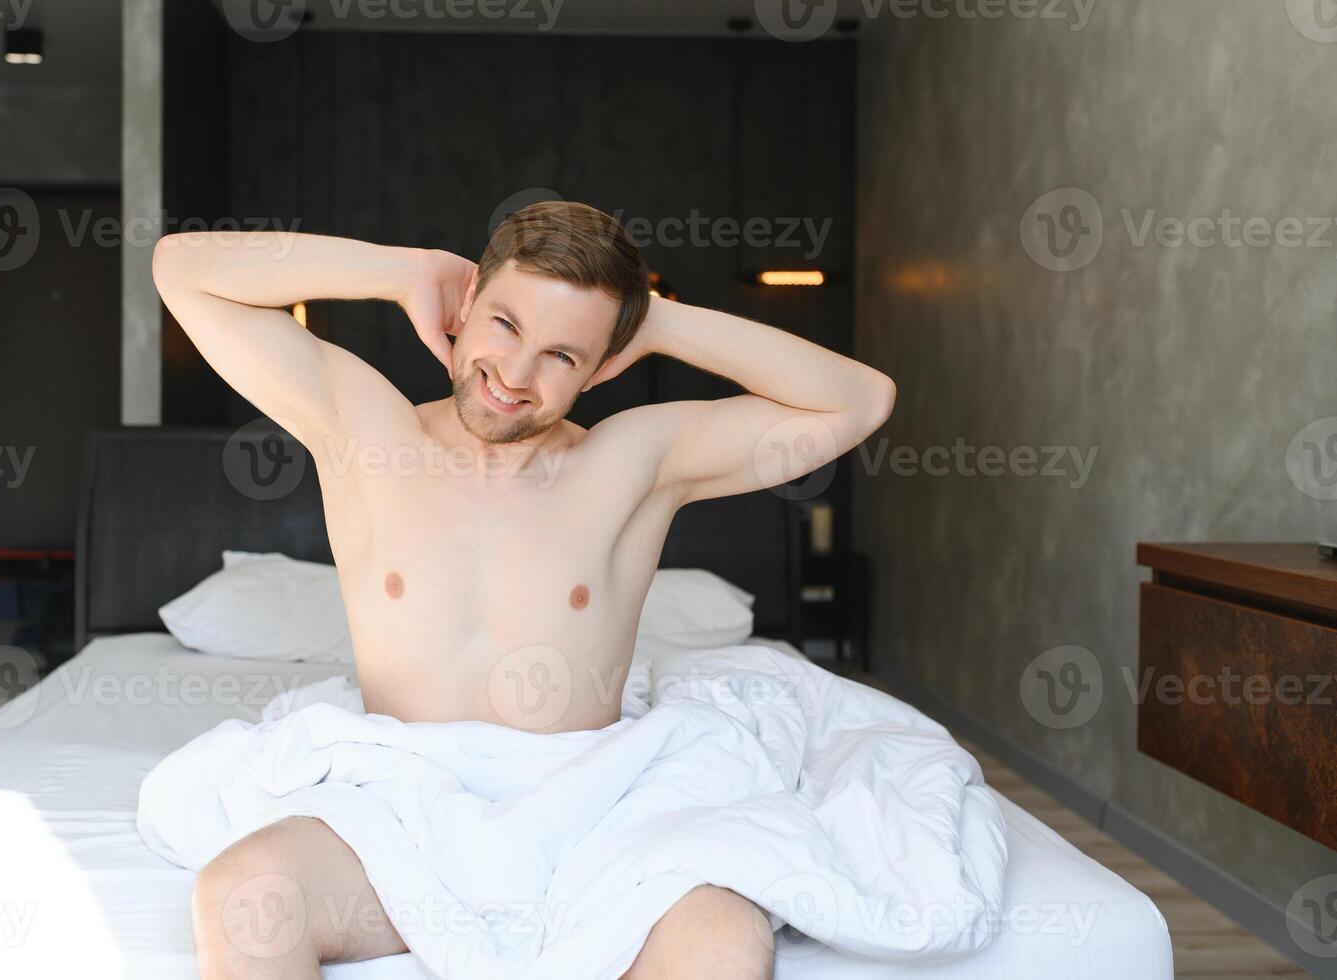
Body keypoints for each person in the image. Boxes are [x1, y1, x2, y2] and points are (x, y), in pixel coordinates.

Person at [151, 201, 895, 979]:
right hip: (400, 808)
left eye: (562, 356)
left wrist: (660, 324)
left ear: (602, 365)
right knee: (243, 895)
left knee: (721, 936)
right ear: (464, 307)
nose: (513, 376)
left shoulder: (635, 461)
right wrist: (402, 270)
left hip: (599, 812)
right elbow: (181, 268)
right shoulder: (364, 429)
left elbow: (858, 400)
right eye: (504, 325)